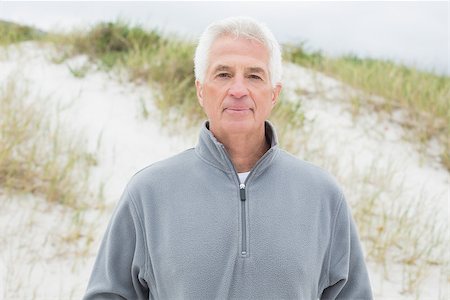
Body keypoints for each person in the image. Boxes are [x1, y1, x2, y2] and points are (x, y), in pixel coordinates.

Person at [84, 16, 373, 299]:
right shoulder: (148, 193)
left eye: (254, 76)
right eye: (223, 74)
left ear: (274, 94)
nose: (238, 90)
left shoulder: (323, 195)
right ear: (200, 90)